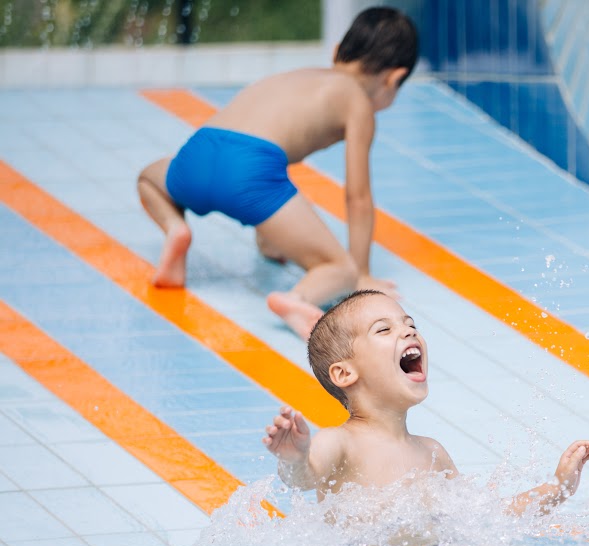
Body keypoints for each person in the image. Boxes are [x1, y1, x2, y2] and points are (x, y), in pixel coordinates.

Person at [136, 7, 415, 340]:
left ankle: (175, 228)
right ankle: (295, 300)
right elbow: (357, 197)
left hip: (198, 150)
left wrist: (269, 234)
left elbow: (267, 141)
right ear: (393, 79)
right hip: (247, 171)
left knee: (148, 179)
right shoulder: (358, 103)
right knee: (339, 269)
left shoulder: (300, 76)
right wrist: (361, 273)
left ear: (337, 51)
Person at [261, 290, 589, 546]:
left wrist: (558, 488)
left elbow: (484, 522)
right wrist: (293, 457)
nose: (408, 332)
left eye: (410, 325)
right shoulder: (340, 443)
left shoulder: (431, 452)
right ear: (345, 373)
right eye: (384, 329)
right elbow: (303, 479)